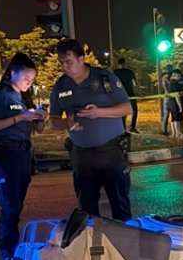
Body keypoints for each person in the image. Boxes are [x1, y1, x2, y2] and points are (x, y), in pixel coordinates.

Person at [49, 38, 134, 221]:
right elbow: (53, 121)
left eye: (68, 62)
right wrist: (67, 123)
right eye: (61, 63)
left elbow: (127, 108)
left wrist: (99, 112)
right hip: (82, 156)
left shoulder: (104, 77)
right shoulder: (61, 85)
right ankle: (91, 239)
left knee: (120, 206)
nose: (64, 67)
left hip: (110, 152)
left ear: (81, 58)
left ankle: (125, 239)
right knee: (86, 210)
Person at [0, 52, 46, 260]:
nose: (29, 82)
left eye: (32, 79)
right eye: (25, 78)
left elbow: (37, 130)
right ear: (12, 73)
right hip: (2, 155)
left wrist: (41, 117)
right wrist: (21, 117)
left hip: (22, 154)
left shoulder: (24, 97)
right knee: (9, 206)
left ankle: (14, 250)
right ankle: (8, 253)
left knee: (17, 206)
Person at [112, 57, 139, 132]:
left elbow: (112, 84)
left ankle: (123, 127)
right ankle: (132, 127)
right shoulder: (129, 72)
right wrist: (138, 91)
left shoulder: (115, 72)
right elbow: (135, 84)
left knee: (122, 111)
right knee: (134, 110)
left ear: (118, 64)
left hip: (120, 95)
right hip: (130, 94)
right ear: (125, 63)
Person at [166, 66, 183, 139]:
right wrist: (180, 106)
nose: (180, 77)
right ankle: (178, 133)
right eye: (179, 76)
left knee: (173, 117)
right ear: (174, 75)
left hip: (171, 102)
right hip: (175, 103)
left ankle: (174, 133)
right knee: (177, 118)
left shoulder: (171, 82)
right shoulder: (175, 83)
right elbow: (177, 95)